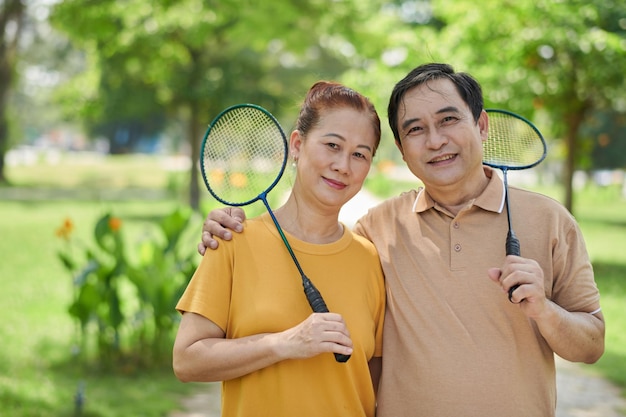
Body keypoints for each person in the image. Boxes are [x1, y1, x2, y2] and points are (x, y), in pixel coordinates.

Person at [198, 63, 605, 417]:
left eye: (448, 120)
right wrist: (231, 224)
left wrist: (546, 311)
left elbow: (591, 345)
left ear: (481, 125)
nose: (435, 141)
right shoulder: (376, 230)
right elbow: (309, 245)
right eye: (416, 130)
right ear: (402, 150)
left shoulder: (551, 221)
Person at [173, 81, 386, 417]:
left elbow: (373, 383)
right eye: (332, 145)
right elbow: (187, 360)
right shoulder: (233, 241)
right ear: (297, 145)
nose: (344, 165)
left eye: (360, 154)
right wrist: (283, 343)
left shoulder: (370, 259)